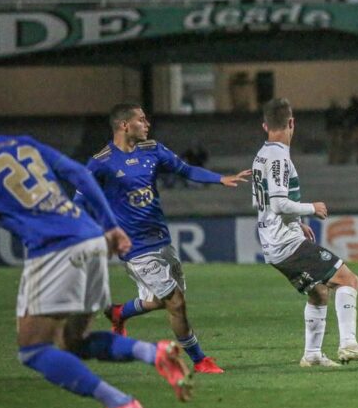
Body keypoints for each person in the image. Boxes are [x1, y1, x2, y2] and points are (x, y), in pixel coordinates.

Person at [0, 100, 192, 408]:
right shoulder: (21, 143)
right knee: (73, 342)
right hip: (91, 238)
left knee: (34, 350)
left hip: (55, 249)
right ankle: (154, 352)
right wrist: (111, 227)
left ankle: (120, 403)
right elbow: (80, 174)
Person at [86, 104, 250, 375]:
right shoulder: (101, 162)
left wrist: (221, 179)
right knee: (175, 302)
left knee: (164, 300)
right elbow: (81, 199)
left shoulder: (152, 150)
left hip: (161, 239)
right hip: (135, 246)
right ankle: (200, 360)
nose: (147, 123)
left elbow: (186, 170)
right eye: (141, 120)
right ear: (124, 125)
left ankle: (119, 312)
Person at [252, 98, 358, 366]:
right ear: (291, 123)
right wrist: (312, 208)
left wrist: (295, 221)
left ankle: (312, 355)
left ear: (265, 125)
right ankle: (349, 344)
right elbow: (277, 203)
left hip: (275, 241)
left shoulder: (262, 155)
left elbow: (261, 203)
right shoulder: (278, 156)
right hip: (285, 243)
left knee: (319, 292)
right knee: (348, 280)